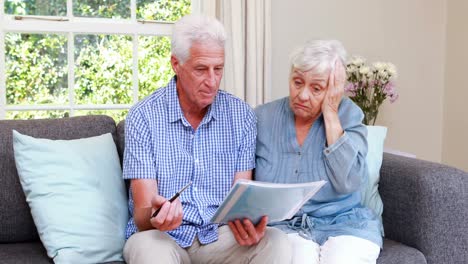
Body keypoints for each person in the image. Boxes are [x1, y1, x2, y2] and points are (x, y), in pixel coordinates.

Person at [122, 14, 292, 264]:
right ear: (176, 64)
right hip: (162, 237)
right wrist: (157, 215)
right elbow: (142, 217)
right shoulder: (143, 116)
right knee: (149, 249)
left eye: (218, 69)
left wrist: (249, 224)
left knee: (276, 242)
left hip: (219, 235)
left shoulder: (241, 116)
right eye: (201, 69)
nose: (212, 81)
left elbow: (242, 199)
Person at [255, 40, 382, 264]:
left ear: (334, 90)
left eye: (316, 88)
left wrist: (331, 113)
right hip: (285, 228)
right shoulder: (263, 118)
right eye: (297, 82)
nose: (303, 95)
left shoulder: (350, 115)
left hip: (345, 224)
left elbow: (349, 183)